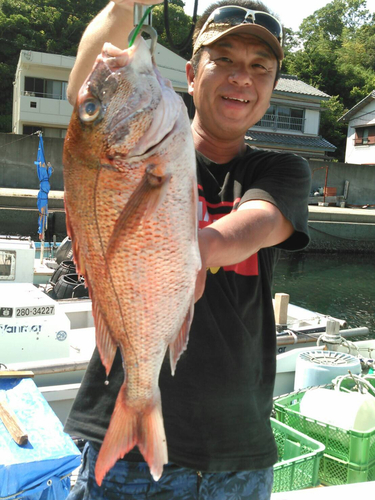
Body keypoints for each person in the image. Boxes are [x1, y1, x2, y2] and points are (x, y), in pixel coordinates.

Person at [65, 1, 311, 498]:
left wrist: (188, 253)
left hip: (236, 454)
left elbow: (258, 223)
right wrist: (125, 7)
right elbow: (87, 92)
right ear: (192, 72)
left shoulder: (281, 170)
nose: (242, 78)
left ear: (271, 88)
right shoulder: (124, 149)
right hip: (121, 448)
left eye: (259, 67)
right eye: (225, 60)